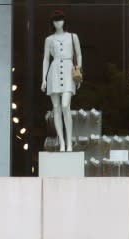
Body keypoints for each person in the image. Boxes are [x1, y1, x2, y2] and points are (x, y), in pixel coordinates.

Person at [41, 9, 82, 152]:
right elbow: (46, 59)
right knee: (56, 108)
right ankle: (62, 142)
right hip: (54, 71)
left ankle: (69, 140)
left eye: (60, 19)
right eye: (55, 20)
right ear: (52, 22)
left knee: (65, 106)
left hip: (68, 70)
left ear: (64, 21)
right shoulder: (49, 39)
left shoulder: (72, 36)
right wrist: (43, 79)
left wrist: (78, 69)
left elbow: (79, 54)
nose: (58, 22)